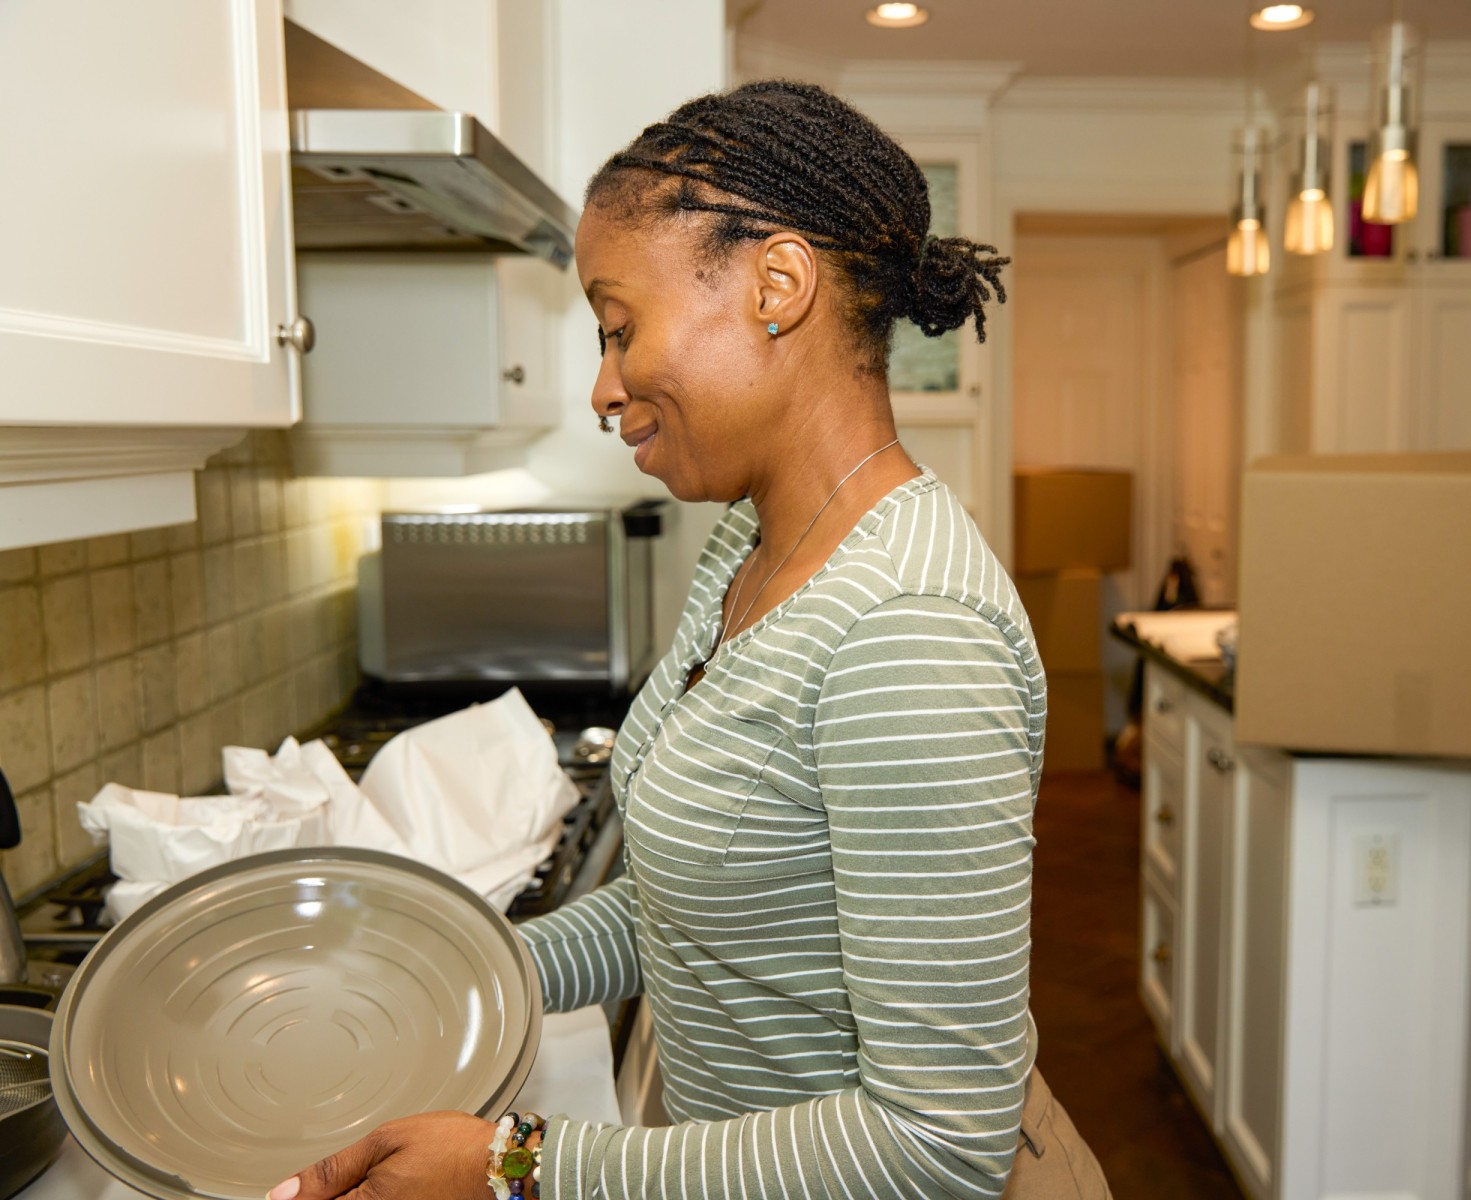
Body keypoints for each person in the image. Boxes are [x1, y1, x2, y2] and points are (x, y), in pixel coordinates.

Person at [268, 80, 1111, 1200]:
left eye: (620, 328)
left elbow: (937, 1142)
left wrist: (518, 1169)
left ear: (777, 285)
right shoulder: (750, 548)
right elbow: (689, 897)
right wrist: (477, 973)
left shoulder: (909, 631)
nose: (603, 388)